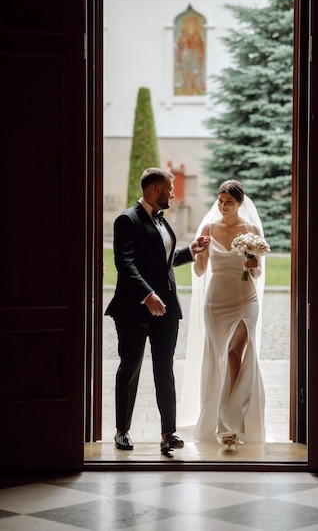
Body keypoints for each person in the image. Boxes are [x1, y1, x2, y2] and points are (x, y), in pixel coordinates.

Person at [105, 167, 209, 455]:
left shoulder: (162, 222)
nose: (173, 194)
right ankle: (122, 431)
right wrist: (147, 295)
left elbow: (161, 261)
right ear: (155, 190)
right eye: (170, 189)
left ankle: (168, 433)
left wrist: (191, 251)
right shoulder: (127, 219)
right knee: (130, 367)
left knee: (165, 370)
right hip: (134, 309)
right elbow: (126, 264)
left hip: (167, 308)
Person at [192, 179, 266, 447]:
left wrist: (253, 263)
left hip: (246, 299)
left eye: (229, 202)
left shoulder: (251, 229)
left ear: (240, 203)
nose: (223, 206)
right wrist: (199, 254)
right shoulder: (209, 227)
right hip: (216, 302)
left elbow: (256, 273)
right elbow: (200, 271)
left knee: (236, 353)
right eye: (220, 201)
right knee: (219, 358)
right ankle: (224, 422)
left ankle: (230, 426)